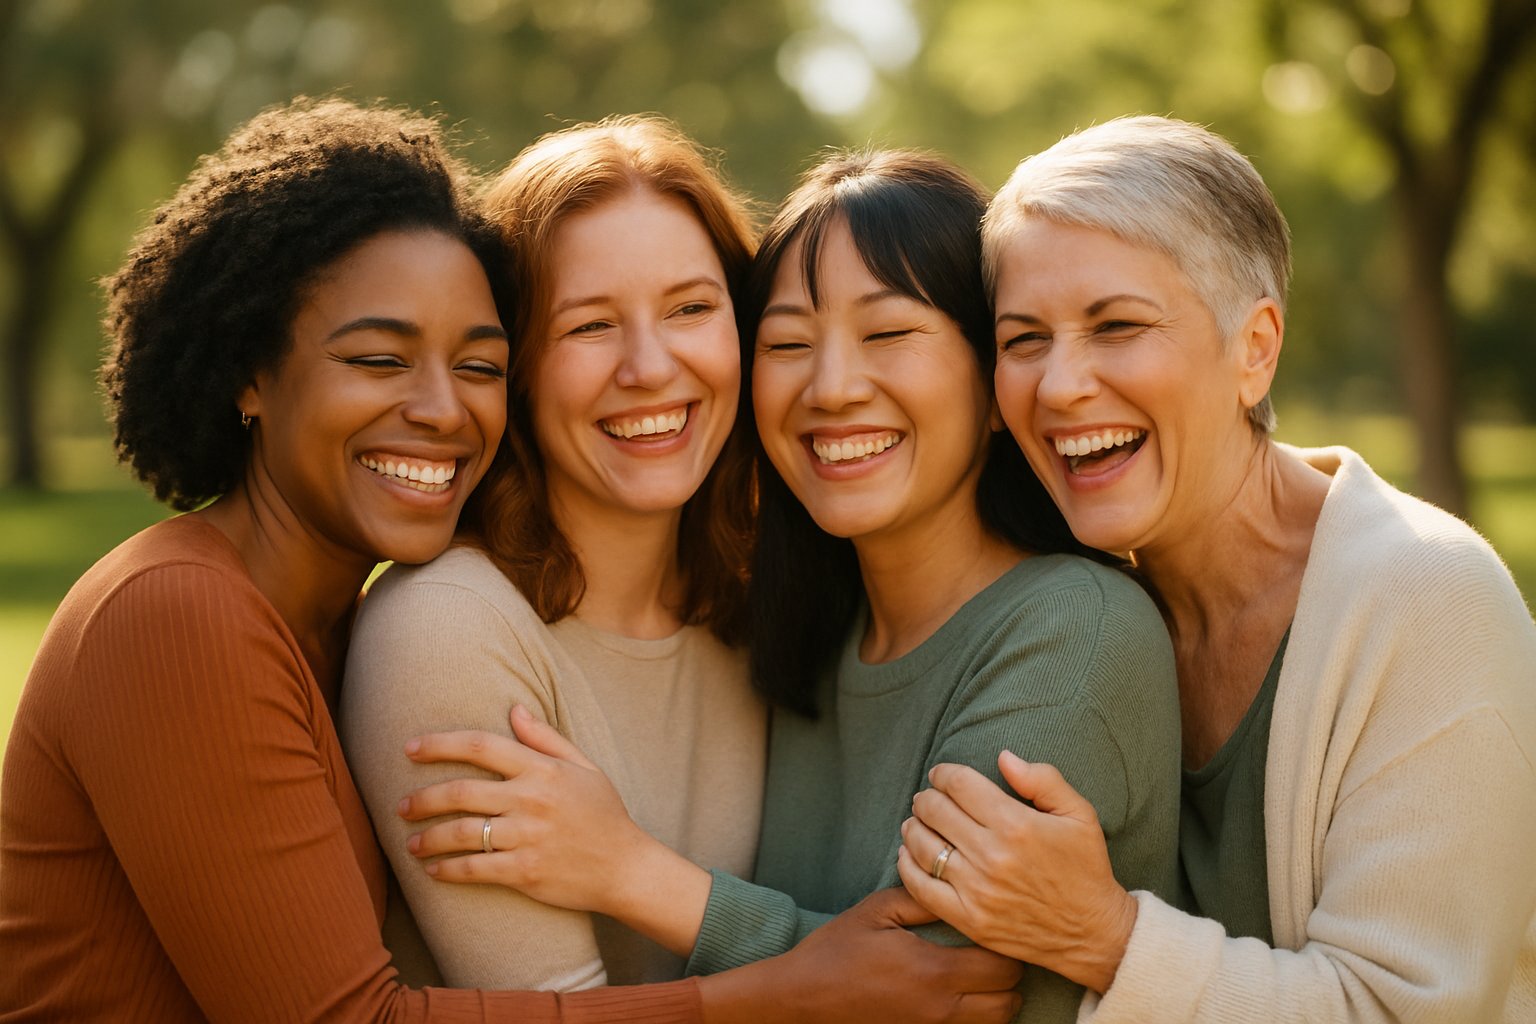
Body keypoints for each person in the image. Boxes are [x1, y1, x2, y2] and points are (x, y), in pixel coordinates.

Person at [0, 96, 1019, 1024]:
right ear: (249, 373)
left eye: (475, 364)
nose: (443, 408)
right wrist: (791, 990)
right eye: (376, 359)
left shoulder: (324, 617)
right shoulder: (183, 614)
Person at [394, 150, 1183, 1024]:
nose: (832, 388)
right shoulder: (804, 636)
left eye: (887, 334)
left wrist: (631, 870)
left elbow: (932, 988)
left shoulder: (1074, 630)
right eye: (788, 344)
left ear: (997, 380)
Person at [896, 114, 1536, 1022]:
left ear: (1256, 349)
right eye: (1024, 338)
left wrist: (1104, 936)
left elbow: (1400, 1011)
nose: (1060, 384)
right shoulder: (1077, 608)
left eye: (1116, 325)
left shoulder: (1432, 599)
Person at [340, 115, 767, 991]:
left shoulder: (764, 609)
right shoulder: (448, 632)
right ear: (516, 366)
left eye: (691, 308)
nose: (650, 367)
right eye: (589, 326)